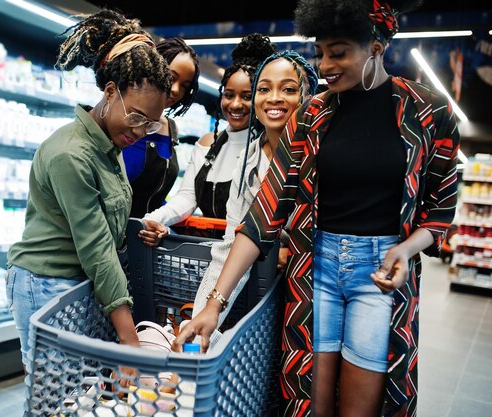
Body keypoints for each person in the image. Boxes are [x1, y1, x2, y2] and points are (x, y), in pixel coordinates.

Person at [175, 1, 460, 416]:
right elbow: (264, 213)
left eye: (338, 52)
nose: (324, 64)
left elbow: (439, 210)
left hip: (379, 275)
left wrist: (407, 249)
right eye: (321, 52)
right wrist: (214, 305)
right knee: (309, 403)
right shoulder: (312, 115)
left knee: (361, 407)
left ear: (376, 47)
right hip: (315, 273)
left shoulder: (427, 111)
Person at [6, 9, 172, 376]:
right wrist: (130, 342)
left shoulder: (108, 145)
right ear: (110, 92)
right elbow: (96, 248)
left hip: (76, 285)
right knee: (55, 398)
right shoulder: (72, 154)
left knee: (75, 395)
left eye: (152, 123)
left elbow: (107, 222)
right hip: (46, 285)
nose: (142, 131)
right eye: (137, 117)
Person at [190, 50, 318, 338]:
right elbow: (230, 246)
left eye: (288, 89)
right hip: (267, 295)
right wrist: (204, 318)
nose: (273, 98)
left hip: (315, 294)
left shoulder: (319, 156)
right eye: (264, 89)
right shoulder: (248, 163)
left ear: (309, 98)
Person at [139, 34, 277, 245]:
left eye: (247, 96)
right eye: (229, 95)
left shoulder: (270, 148)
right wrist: (153, 220)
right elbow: (187, 198)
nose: (235, 104)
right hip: (203, 256)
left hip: (252, 259)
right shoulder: (207, 145)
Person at [122, 37, 200, 218]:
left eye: (185, 86)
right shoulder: (119, 121)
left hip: (146, 238)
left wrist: (162, 221)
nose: (176, 90)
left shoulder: (170, 129)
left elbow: (156, 197)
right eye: (171, 77)